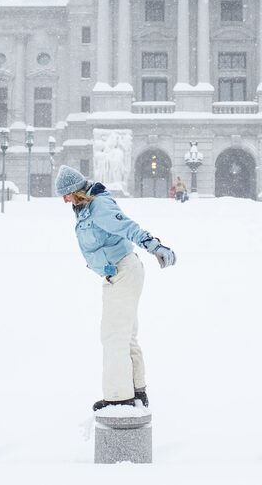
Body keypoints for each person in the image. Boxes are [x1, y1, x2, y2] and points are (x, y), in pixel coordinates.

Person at [56, 165, 177, 411]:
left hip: (123, 272)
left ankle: (118, 398)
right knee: (125, 336)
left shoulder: (99, 206)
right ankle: (136, 390)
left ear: (75, 191)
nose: (64, 200)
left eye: (65, 194)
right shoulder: (86, 207)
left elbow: (128, 227)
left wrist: (154, 246)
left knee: (113, 337)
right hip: (119, 273)